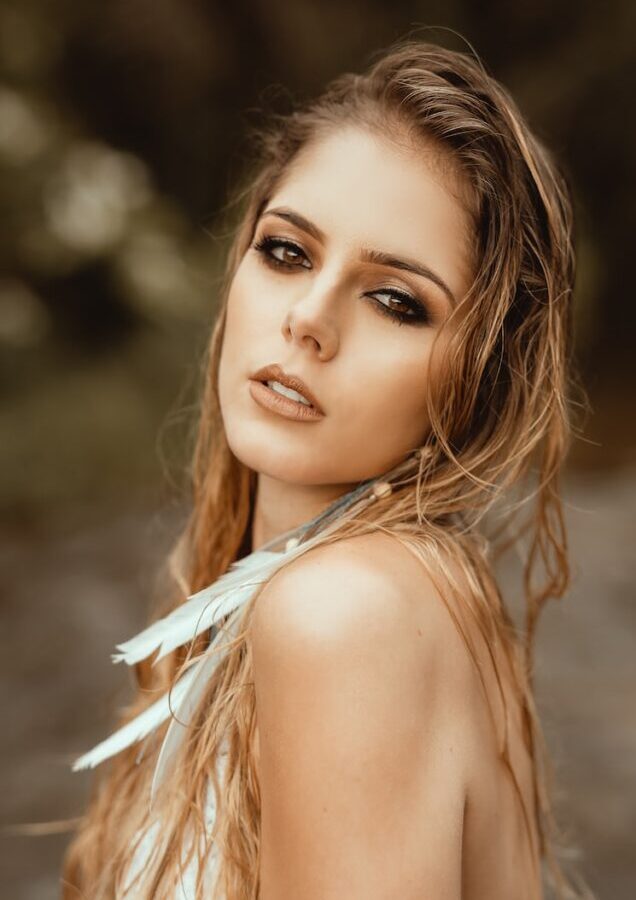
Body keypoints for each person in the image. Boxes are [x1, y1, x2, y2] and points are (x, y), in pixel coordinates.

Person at [61, 37, 589, 899]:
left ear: (479, 382)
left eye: (395, 301)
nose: (307, 318)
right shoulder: (405, 590)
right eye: (286, 252)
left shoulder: (348, 613)